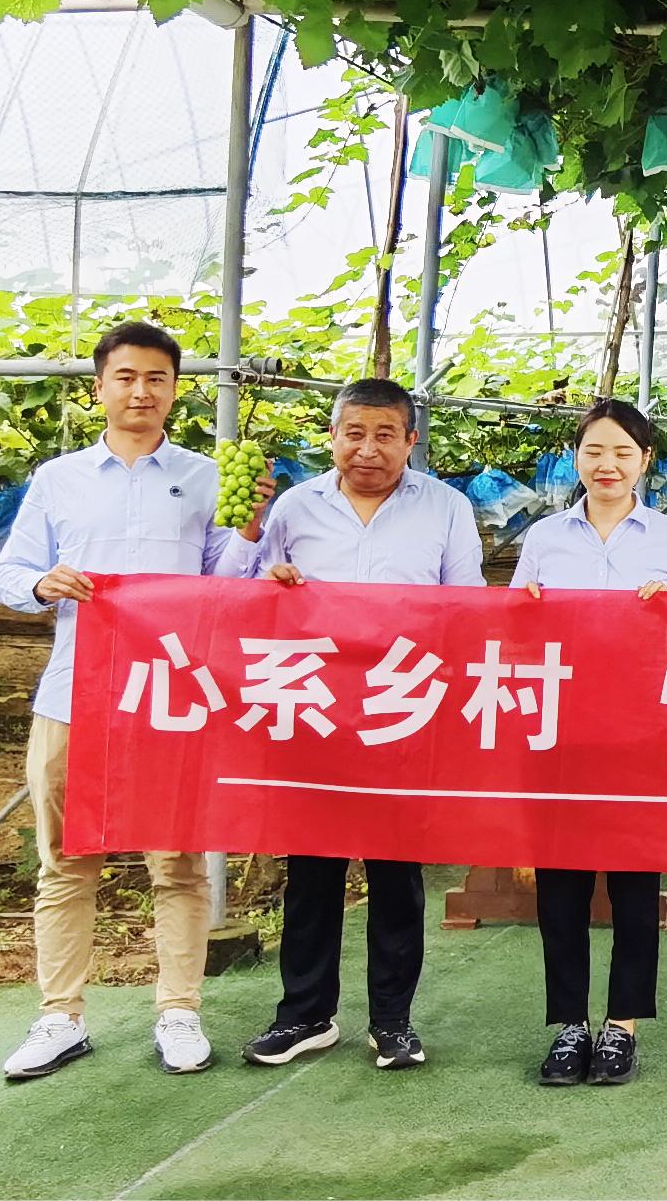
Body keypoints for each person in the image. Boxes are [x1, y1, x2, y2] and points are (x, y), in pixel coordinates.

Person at [0, 321, 271, 1081]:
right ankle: (60, 1016)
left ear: (175, 389)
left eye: (156, 378)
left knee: (177, 861)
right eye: (126, 377)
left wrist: (250, 530)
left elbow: (226, 583)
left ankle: (179, 1010)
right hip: (74, 693)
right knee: (66, 858)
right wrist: (42, 583)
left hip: (172, 697)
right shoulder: (59, 479)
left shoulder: (207, 477)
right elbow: (10, 574)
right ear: (100, 388)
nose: (141, 391)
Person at [237, 378, 485, 1073]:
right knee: (311, 866)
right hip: (314, 706)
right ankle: (304, 1014)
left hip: (403, 707)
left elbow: (468, 606)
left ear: (411, 440)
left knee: (396, 868)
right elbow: (245, 592)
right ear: (333, 436)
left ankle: (392, 1020)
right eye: (354, 433)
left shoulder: (445, 507)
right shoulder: (294, 507)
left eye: (384, 435)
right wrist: (270, 577)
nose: (367, 449)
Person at [509, 398, 667, 1089]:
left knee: (633, 888)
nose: (607, 464)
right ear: (576, 457)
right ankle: (569, 1025)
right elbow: (512, 629)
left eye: (623, 452)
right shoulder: (544, 537)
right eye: (594, 450)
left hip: (640, 737)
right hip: (560, 734)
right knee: (560, 886)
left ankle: (622, 1026)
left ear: (645, 460)